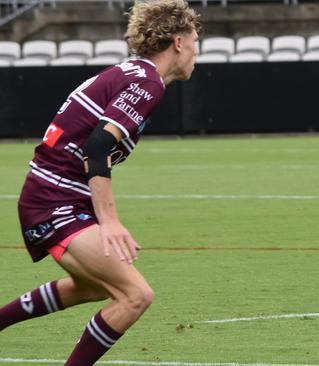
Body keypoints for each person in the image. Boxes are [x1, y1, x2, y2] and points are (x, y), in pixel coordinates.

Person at [0, 0, 200, 364]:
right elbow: (98, 145)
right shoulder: (147, 83)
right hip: (53, 200)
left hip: (52, 195)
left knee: (93, 286)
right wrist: (109, 221)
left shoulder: (132, 74)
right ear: (178, 42)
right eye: (195, 40)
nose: (196, 51)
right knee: (136, 295)